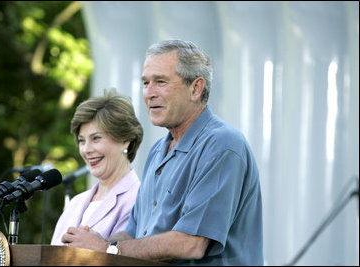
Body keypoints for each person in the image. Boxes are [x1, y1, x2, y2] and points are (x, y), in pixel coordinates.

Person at [61, 40, 263, 265]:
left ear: (195, 88)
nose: (149, 93)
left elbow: (191, 244)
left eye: (161, 82)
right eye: (146, 83)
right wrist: (92, 244)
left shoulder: (222, 144)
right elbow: (134, 235)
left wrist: (107, 249)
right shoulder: (158, 150)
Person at [51, 88, 144, 245]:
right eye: (82, 140)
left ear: (125, 140)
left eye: (96, 138)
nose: (86, 149)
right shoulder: (75, 203)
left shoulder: (138, 200)